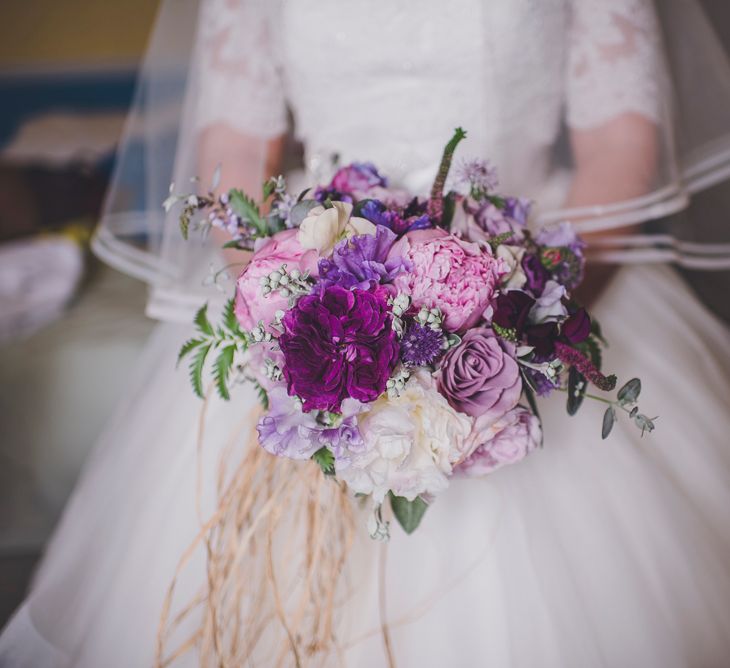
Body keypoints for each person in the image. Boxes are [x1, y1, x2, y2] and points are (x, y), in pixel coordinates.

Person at [3, 0, 730, 665]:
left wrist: (519, 313)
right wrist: (288, 296)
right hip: (320, 251)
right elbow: (237, 144)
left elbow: (618, 138)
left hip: (531, 261)